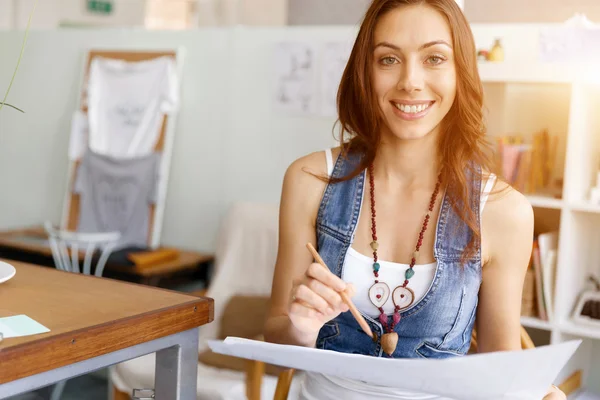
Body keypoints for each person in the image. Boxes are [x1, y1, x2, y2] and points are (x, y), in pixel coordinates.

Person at [264, 0, 565, 399]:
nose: (411, 81)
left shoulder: (503, 211)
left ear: (461, 72)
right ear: (364, 72)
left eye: (434, 58)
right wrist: (300, 329)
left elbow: (499, 371)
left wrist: (536, 394)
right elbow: (274, 354)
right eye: (388, 59)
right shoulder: (309, 180)